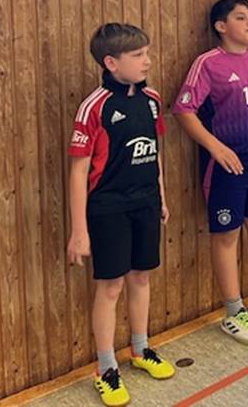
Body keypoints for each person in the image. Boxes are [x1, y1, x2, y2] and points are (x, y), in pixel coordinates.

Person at [173, 0, 248, 347]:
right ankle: (233, 311)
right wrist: (215, 147)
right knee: (227, 235)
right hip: (225, 163)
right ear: (221, 26)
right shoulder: (207, 63)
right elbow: (183, 110)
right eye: (241, 17)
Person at [67, 23, 175, 407]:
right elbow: (78, 172)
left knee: (141, 276)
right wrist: (79, 231)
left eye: (147, 52)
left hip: (145, 202)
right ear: (111, 63)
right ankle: (106, 367)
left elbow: (154, 152)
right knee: (111, 286)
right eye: (138, 55)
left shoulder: (152, 99)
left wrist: (161, 197)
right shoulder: (94, 106)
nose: (148, 61)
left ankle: (141, 349)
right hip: (108, 207)